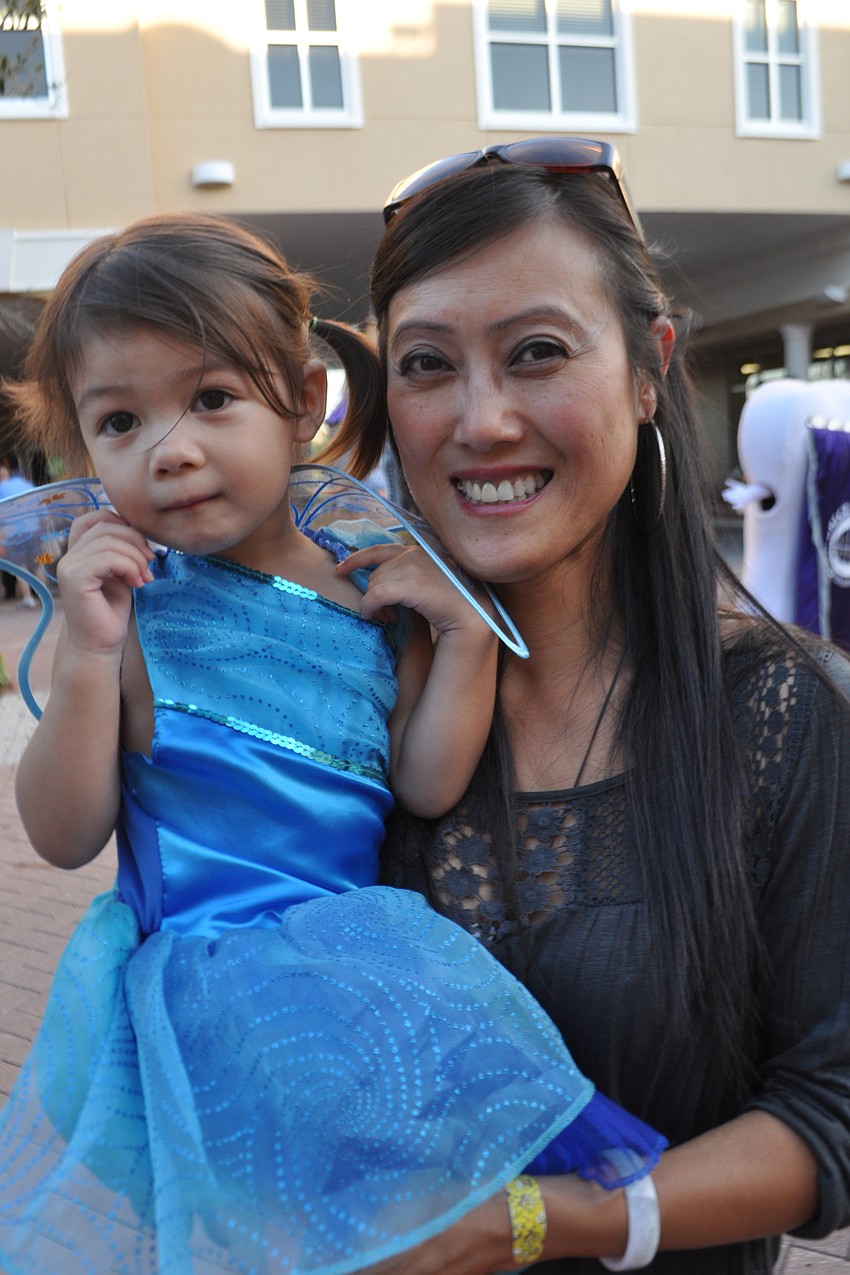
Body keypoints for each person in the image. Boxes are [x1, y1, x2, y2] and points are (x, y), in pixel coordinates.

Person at [0, 213, 665, 1274]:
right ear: (83, 450)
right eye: (120, 423)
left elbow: (425, 782)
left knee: (386, 1228)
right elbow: (64, 831)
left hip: (361, 974)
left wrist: (458, 633)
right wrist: (87, 654)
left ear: (305, 402)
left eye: (211, 399)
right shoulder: (133, 612)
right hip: (197, 993)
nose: (171, 449)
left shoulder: (372, 585)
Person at [330, 138, 850, 1272]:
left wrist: (535, 1221)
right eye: (426, 365)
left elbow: (828, 1119)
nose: (481, 421)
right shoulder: (348, 704)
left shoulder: (783, 711)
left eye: (536, 353)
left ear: (648, 367)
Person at [0, 457, 37, 607]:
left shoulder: (1, 488)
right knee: (37, 563)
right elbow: (38, 502)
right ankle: (43, 595)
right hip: (34, 529)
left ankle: (28, 598)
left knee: (20, 565)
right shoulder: (26, 483)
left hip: (15, 531)